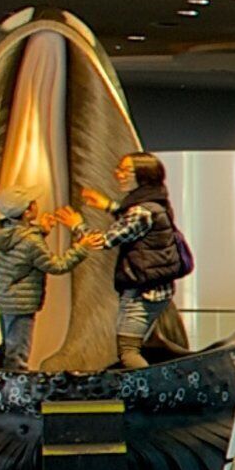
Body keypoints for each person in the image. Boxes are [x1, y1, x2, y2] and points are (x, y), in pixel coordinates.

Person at [86, 153, 190, 368]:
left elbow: (104, 241)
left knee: (128, 352)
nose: (118, 174)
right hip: (156, 289)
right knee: (139, 345)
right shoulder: (156, 203)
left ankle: (143, 395)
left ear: (143, 176)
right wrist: (108, 206)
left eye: (125, 170)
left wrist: (75, 224)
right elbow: (131, 222)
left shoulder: (140, 211)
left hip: (142, 292)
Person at [0, 194, 94, 372]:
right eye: (33, 204)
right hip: (21, 303)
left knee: (9, 345)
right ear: (27, 212)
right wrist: (81, 247)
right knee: (18, 351)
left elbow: (22, 249)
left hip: (7, 298)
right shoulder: (31, 242)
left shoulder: (5, 231)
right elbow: (57, 265)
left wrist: (41, 231)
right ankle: (16, 390)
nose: (37, 205)